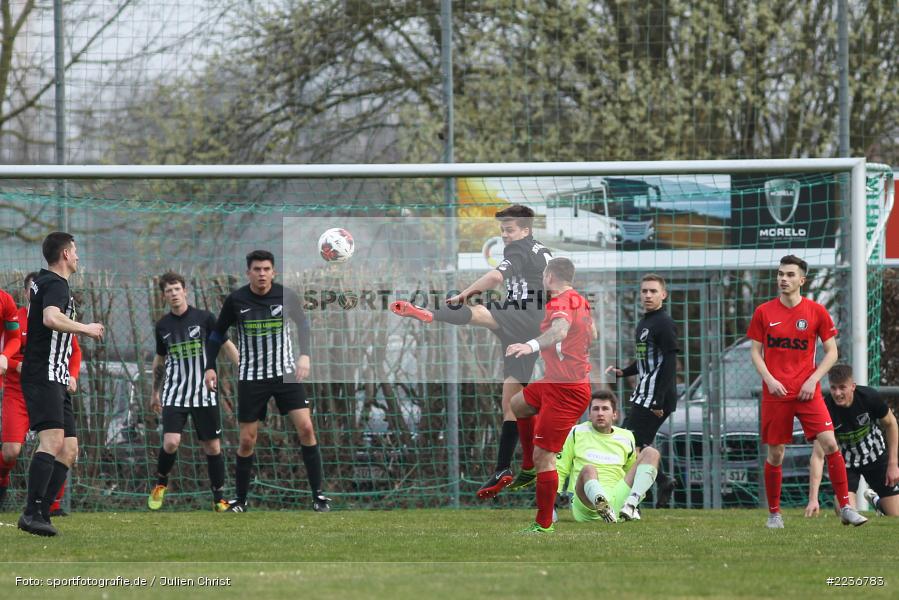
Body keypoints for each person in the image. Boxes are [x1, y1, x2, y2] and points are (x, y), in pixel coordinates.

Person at [390, 205, 552, 499]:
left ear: (526, 230)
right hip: (531, 328)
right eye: (502, 230)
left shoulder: (519, 249)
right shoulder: (543, 250)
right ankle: (505, 467)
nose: (505, 235)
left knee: (477, 311)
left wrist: (464, 293)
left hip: (524, 314)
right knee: (513, 403)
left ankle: (429, 314)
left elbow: (495, 278)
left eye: (510, 229)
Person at [204, 250, 330, 512]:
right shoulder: (236, 300)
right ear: (248, 272)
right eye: (257, 269)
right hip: (252, 377)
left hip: (286, 373)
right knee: (247, 440)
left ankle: (318, 496)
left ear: (274, 272)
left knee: (306, 429)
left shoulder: (287, 296)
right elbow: (217, 335)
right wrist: (209, 367)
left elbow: (303, 326)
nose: (262, 274)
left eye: (266, 269)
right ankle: (241, 500)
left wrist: (304, 356)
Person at [747, 254, 866, 528]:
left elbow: (832, 351)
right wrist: (770, 379)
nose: (783, 279)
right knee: (776, 454)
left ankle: (846, 507)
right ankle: (774, 514)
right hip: (776, 394)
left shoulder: (816, 311)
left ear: (802, 280)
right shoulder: (764, 312)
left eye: (789, 275)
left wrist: (813, 380)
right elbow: (755, 353)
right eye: (780, 274)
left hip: (806, 392)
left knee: (830, 443)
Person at [18, 232, 104, 536]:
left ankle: (42, 512)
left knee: (69, 450)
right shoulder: (55, 284)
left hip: (56, 375)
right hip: (43, 374)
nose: (78, 257)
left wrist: (69, 371)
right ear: (66, 254)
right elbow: (51, 319)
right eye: (76, 252)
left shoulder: (45, 282)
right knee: (52, 443)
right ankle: (31, 513)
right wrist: (87, 329)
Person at [504, 257, 595, 533]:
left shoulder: (559, 302)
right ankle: (529, 464)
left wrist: (529, 345)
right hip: (555, 382)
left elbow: (559, 330)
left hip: (566, 391)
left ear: (549, 277)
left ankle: (544, 523)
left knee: (547, 456)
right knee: (517, 404)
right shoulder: (580, 299)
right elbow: (593, 332)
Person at [146, 272, 240, 512]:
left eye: (177, 289)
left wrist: (245, 369)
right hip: (174, 393)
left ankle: (219, 499)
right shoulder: (163, 326)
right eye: (169, 291)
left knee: (213, 447)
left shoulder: (205, 318)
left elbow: (227, 346)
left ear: (185, 290)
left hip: (204, 393)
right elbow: (160, 360)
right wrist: (154, 393)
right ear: (164, 296)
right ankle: (160, 484)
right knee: (171, 443)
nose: (174, 294)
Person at [1, 272, 81, 515]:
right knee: (11, 451)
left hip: (49, 387)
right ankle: (4, 480)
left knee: (65, 447)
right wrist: (14, 364)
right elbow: (11, 345)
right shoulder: (19, 317)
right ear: (28, 293)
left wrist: (73, 375)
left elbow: (74, 351)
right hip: (18, 391)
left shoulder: (58, 319)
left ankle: (49, 507)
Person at [604, 273, 678, 506]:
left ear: (663, 295)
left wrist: (658, 400)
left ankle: (631, 498)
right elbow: (646, 361)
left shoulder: (664, 323)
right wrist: (624, 372)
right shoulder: (645, 322)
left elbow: (669, 361)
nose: (647, 295)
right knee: (638, 442)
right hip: (644, 393)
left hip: (655, 396)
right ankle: (663, 481)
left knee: (629, 443)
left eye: (653, 291)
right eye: (644, 291)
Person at [804, 364, 899, 517]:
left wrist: (893, 464)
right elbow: (818, 456)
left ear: (853, 386)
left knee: (895, 516)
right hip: (846, 464)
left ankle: (876, 502)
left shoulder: (869, 397)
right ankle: (849, 505)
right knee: (846, 514)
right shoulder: (825, 409)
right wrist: (813, 499)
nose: (837, 393)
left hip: (875, 456)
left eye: (842, 387)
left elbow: (891, 424)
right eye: (833, 388)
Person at [556, 390, 661, 523]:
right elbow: (561, 467)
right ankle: (602, 505)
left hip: (617, 498)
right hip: (585, 502)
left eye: (605, 409)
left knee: (651, 453)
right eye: (595, 409)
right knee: (588, 469)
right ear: (589, 414)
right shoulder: (577, 432)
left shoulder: (626, 436)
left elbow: (633, 473)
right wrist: (552, 504)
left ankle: (630, 505)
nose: (600, 413)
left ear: (614, 414)